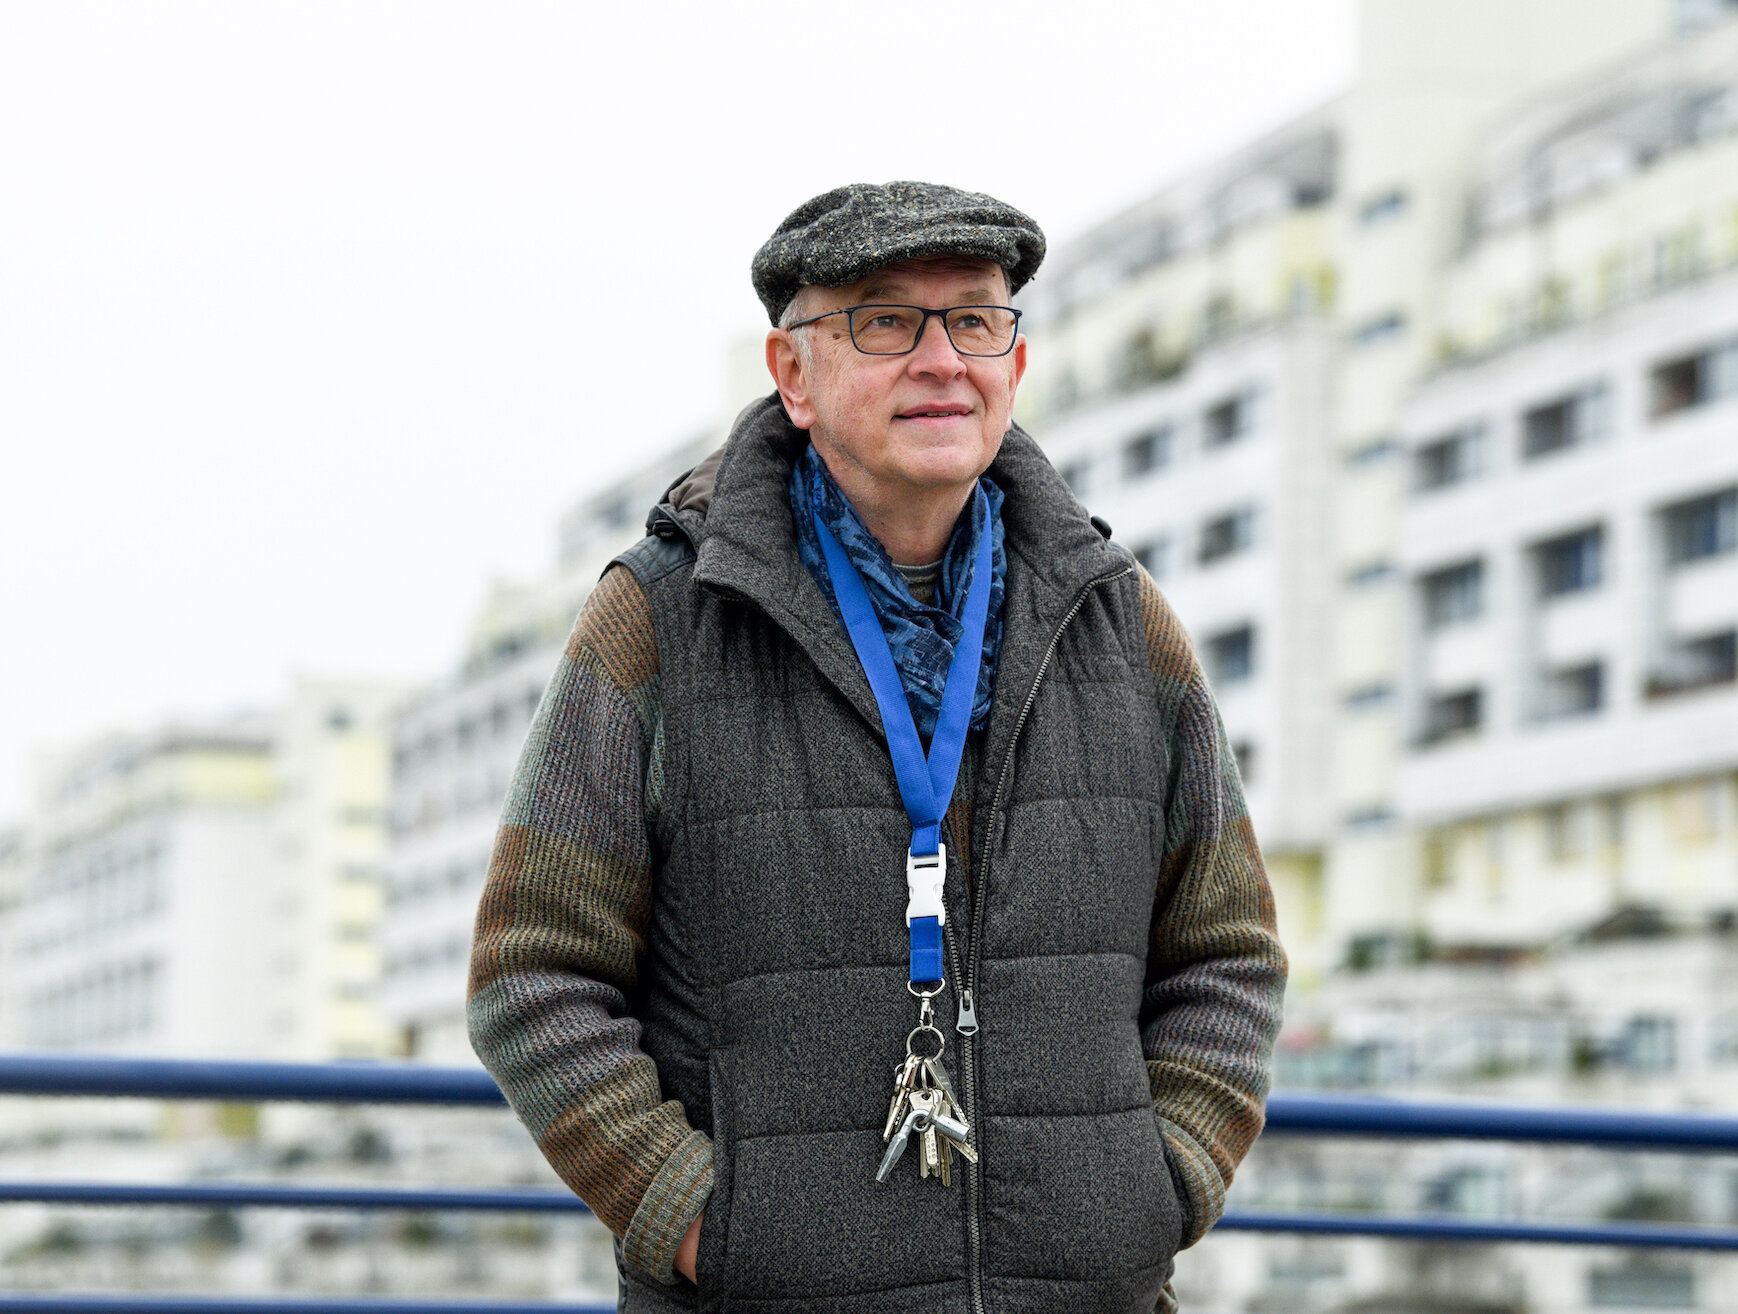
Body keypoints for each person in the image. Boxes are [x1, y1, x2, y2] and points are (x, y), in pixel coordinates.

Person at [468, 181, 1286, 1314]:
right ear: (793, 374)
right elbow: (534, 973)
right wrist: (709, 1226)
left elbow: (1227, 951)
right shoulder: (657, 619)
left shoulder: (1122, 621)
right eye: (885, 320)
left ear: (1017, 362)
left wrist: (1159, 1191)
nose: (943, 359)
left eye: (976, 319)